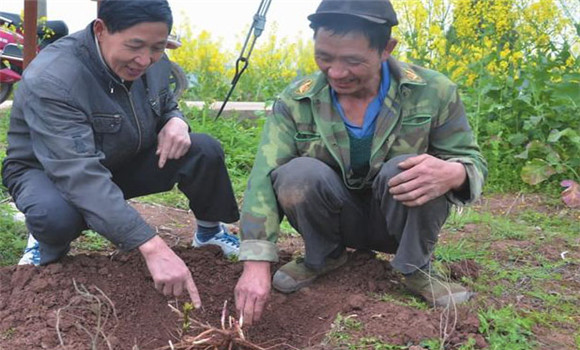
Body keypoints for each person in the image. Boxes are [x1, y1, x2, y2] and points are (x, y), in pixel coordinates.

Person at [234, 0, 487, 324]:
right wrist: (256, 262)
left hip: (398, 218)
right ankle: (324, 257)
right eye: (324, 58)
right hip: (333, 217)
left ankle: (415, 268)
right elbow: (263, 175)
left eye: (353, 61)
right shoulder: (298, 99)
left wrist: (453, 173)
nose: (336, 73)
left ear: (386, 49)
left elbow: (470, 159)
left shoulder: (433, 92)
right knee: (298, 174)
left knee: (409, 168)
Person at [1, 0, 240, 308]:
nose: (145, 60)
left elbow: (166, 103)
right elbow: (80, 175)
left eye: (157, 47)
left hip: (118, 156)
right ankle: (46, 246)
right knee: (55, 215)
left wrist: (176, 121)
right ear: (101, 30)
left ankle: (209, 234)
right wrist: (152, 246)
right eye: (135, 46)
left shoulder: (152, 59)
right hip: (50, 171)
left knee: (202, 148)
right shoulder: (54, 77)